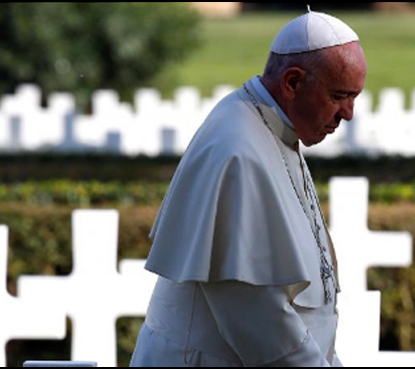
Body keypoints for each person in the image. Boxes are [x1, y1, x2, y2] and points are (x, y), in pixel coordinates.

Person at [130, 9, 367, 367]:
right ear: (292, 83)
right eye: (339, 96)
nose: (348, 113)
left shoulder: (275, 130)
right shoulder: (238, 148)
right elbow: (256, 312)